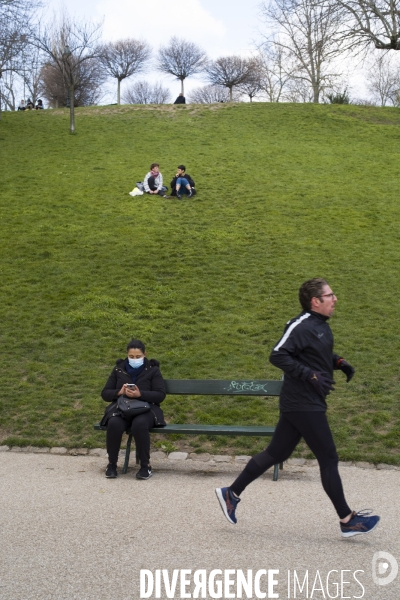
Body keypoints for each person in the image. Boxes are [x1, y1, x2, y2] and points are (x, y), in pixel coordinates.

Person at [215, 278, 380, 538]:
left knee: (275, 454)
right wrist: (310, 375)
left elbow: (314, 353)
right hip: (303, 402)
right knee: (328, 458)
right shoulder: (299, 325)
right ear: (316, 301)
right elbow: (278, 354)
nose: (335, 299)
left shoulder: (320, 326)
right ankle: (347, 519)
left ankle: (231, 493)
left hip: (304, 403)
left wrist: (338, 361)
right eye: (330, 295)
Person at [100, 338, 166, 480]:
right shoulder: (119, 369)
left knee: (139, 424)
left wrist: (140, 394)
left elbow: (160, 395)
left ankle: (145, 466)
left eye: (138, 357)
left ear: (144, 354)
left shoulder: (153, 370)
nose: (134, 359)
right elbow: (105, 393)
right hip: (123, 408)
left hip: (147, 409)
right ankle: (112, 464)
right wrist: (119, 392)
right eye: (131, 357)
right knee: (114, 423)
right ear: (127, 355)